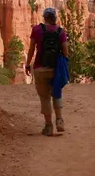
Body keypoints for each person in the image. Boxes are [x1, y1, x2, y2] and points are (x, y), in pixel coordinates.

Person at [25, 8, 68, 136]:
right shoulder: (61, 32)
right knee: (57, 94)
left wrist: (27, 64)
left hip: (40, 68)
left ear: (44, 18)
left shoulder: (37, 29)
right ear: (55, 18)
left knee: (45, 98)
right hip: (56, 69)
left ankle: (48, 127)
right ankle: (59, 120)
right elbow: (65, 52)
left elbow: (31, 49)